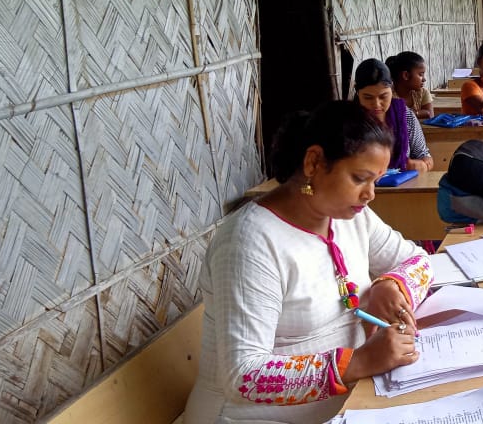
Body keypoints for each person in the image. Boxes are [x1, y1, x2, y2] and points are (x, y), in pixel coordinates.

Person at [184, 103, 434, 423]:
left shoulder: (349, 217)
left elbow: (418, 260)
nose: (370, 194)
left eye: (376, 180)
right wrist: (357, 362)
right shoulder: (249, 243)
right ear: (314, 162)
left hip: (352, 402)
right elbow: (244, 376)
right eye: (360, 178)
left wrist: (390, 284)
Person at [354, 59, 433, 173]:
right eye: (368, 97)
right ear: (357, 92)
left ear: (392, 89)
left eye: (383, 96)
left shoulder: (405, 116)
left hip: (402, 183)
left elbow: (424, 155)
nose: (376, 104)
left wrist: (423, 165)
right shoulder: (348, 122)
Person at [386, 51, 434, 119]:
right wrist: (419, 113)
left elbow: (430, 114)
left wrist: (405, 114)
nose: (424, 79)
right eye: (420, 74)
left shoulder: (423, 93)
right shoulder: (388, 95)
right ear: (406, 75)